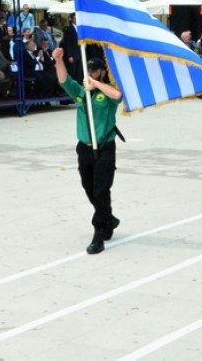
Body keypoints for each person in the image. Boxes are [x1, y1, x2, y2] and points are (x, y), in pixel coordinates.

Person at [52, 47, 123, 255]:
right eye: (88, 72)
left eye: (94, 71)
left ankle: (99, 232)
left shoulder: (106, 92)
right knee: (88, 187)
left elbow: (118, 95)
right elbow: (64, 80)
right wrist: (59, 60)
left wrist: (96, 84)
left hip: (104, 147)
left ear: (101, 72)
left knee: (101, 189)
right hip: (84, 147)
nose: (90, 75)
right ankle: (109, 218)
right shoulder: (82, 93)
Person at [60, 13, 83, 83]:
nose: (77, 20)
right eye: (75, 18)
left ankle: (79, 87)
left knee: (79, 72)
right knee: (73, 72)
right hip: (73, 54)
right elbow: (68, 44)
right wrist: (69, 55)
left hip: (79, 53)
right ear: (72, 19)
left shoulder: (80, 28)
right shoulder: (69, 29)